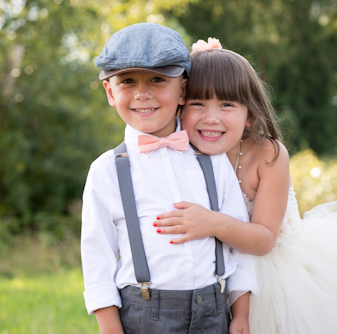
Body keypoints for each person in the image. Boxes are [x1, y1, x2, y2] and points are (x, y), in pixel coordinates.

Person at [155, 38, 337, 333]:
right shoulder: (178, 154)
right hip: (209, 275)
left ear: (250, 114)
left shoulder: (267, 155)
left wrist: (210, 222)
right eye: (197, 103)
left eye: (226, 104)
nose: (210, 117)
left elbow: (265, 239)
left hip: (278, 276)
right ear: (179, 107)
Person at [81, 25, 257, 334]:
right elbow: (98, 262)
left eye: (158, 79)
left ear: (183, 90)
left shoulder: (214, 161)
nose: (142, 94)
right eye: (127, 81)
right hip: (141, 316)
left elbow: (237, 246)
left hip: (213, 313)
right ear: (110, 92)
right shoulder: (106, 171)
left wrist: (240, 314)